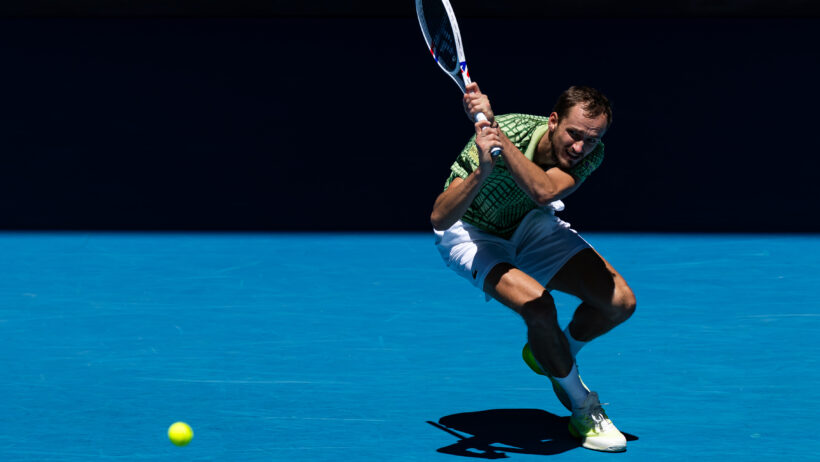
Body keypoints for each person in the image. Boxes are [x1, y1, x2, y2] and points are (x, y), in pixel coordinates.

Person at [431, 82, 636, 453]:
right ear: (553, 121)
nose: (580, 147)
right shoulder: (508, 129)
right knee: (539, 306)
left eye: (591, 139)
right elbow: (441, 217)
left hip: (529, 222)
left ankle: (553, 353)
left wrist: (501, 143)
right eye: (574, 134)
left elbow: (543, 192)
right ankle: (582, 406)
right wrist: (483, 170)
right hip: (473, 235)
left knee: (619, 302)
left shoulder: (590, 152)